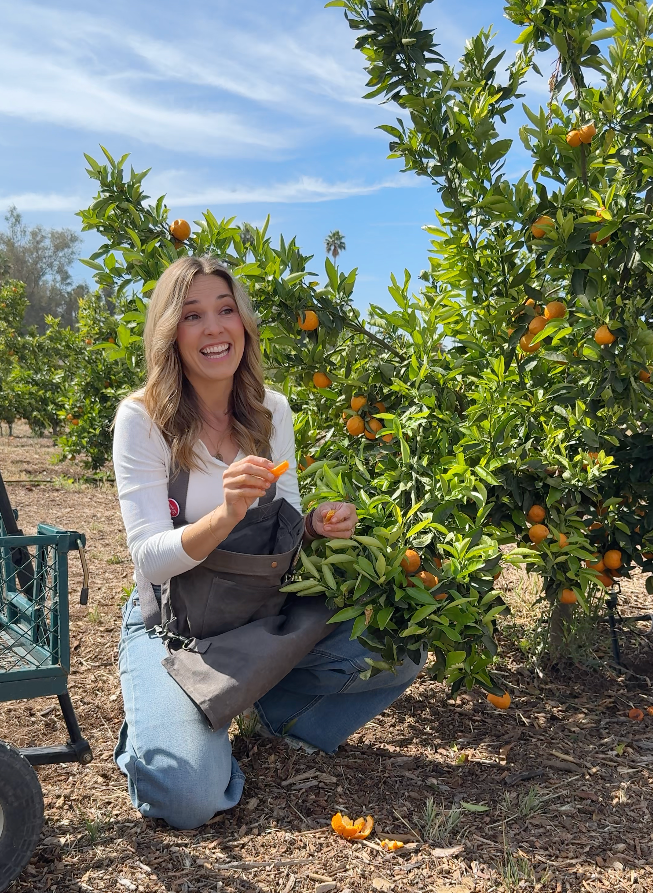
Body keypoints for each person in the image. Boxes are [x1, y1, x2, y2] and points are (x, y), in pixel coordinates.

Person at [112, 255, 425, 829]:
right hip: (174, 626)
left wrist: (315, 524)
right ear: (170, 333)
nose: (213, 328)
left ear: (244, 323)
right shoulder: (143, 419)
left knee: (396, 648)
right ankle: (169, 725)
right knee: (187, 798)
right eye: (192, 315)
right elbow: (150, 559)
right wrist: (226, 513)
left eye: (225, 310)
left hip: (254, 613)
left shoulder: (269, 410)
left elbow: (286, 517)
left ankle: (276, 716)